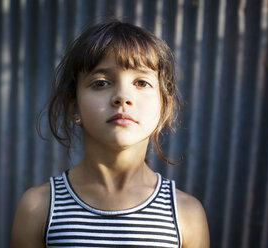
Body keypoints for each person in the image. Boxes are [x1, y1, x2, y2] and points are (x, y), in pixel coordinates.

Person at [11, 20, 210, 248]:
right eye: (101, 83)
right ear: (73, 107)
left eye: (142, 82)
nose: (122, 97)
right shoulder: (39, 208)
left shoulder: (185, 213)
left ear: (163, 107)